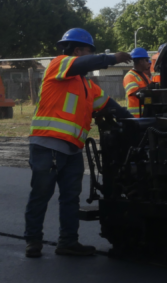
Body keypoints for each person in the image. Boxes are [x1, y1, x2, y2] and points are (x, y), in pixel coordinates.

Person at [23, 28, 132, 258]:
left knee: (71, 197)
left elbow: (112, 106)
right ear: (76, 51)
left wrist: (137, 123)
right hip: (48, 144)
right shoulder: (58, 65)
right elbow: (87, 64)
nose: (91, 56)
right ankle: (33, 241)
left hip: (72, 150)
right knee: (41, 193)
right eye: (89, 52)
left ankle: (68, 242)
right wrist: (112, 58)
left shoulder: (88, 86)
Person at [123, 47, 151, 117]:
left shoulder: (145, 75)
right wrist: (150, 88)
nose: (149, 62)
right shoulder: (129, 76)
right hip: (136, 117)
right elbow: (135, 92)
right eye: (147, 60)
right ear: (141, 61)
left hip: (146, 114)